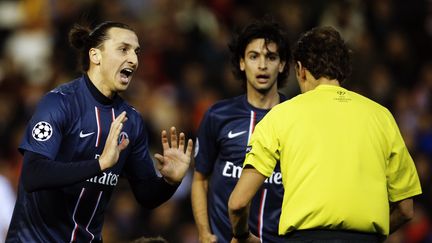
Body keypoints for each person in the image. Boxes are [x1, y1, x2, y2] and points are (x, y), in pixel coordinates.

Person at [228, 26, 422, 242]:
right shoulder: (381, 116)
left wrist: (242, 235)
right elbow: (405, 209)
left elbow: (238, 203)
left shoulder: (280, 116)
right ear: (342, 69)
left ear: (300, 69)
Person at [6, 21, 193, 242]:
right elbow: (32, 175)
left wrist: (169, 182)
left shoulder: (130, 120)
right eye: (123, 49)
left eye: (136, 51)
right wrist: (100, 165)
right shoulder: (59, 103)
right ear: (96, 56)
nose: (134, 59)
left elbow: (146, 195)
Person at [191, 16, 291, 243]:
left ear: (282, 64)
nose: (263, 65)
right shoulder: (218, 115)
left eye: (271, 57)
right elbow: (199, 179)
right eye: (254, 56)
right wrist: (204, 232)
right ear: (242, 62)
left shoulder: (297, 118)